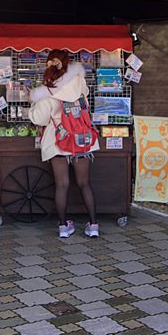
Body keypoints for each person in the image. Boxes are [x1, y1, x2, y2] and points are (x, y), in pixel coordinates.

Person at [28, 49, 99, 238]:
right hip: (81, 138)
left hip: (57, 140)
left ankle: (63, 227)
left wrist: (33, 106)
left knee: (62, 185)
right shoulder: (79, 81)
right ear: (68, 64)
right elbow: (85, 99)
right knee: (84, 183)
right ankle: (93, 225)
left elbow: (40, 119)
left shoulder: (46, 90)